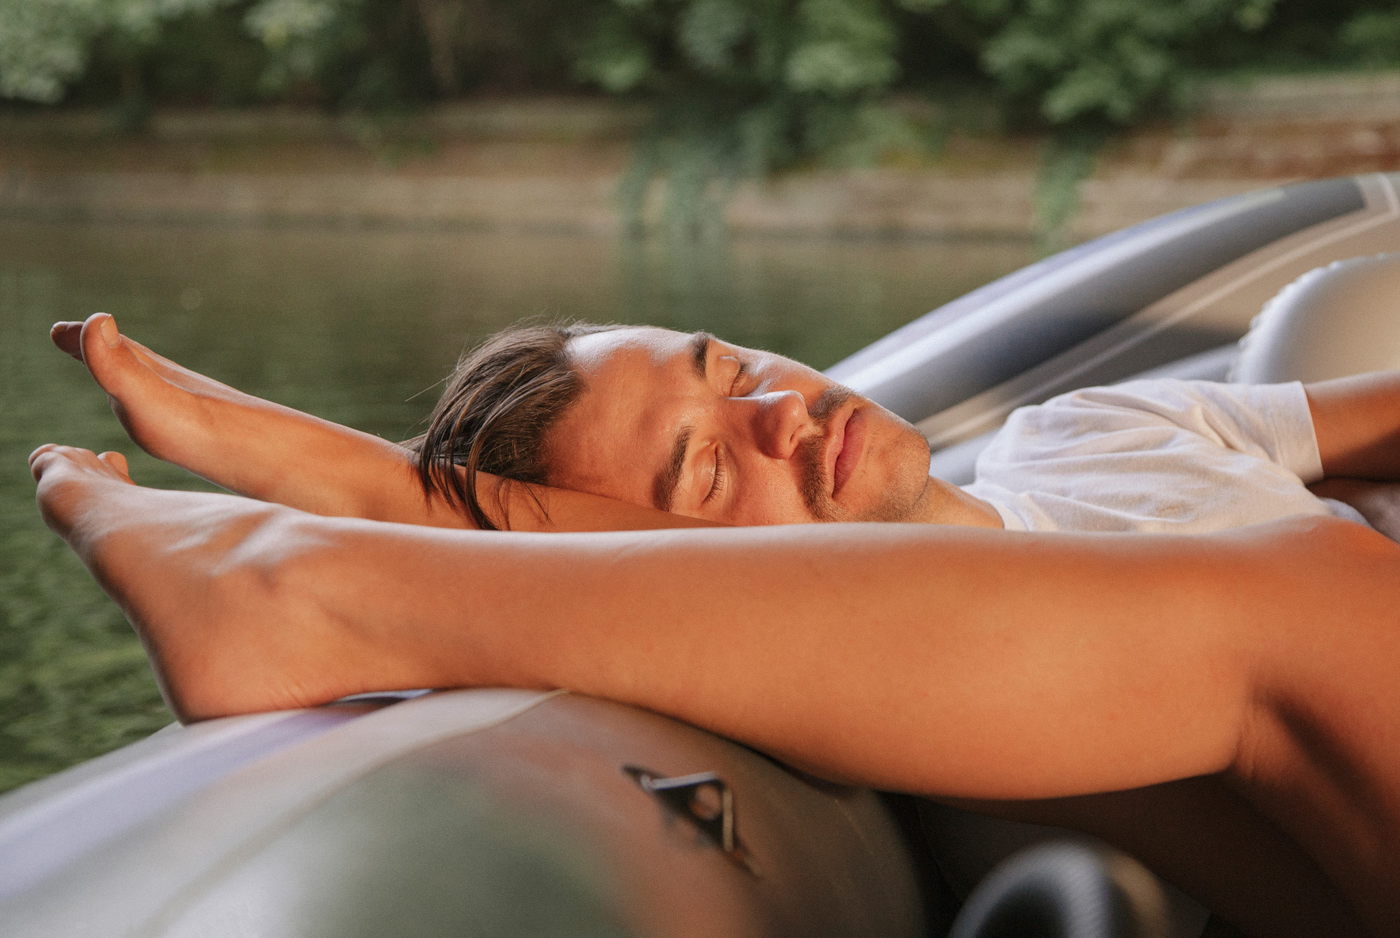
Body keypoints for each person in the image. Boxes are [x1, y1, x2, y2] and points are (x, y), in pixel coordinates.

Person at [28, 313, 1400, 937]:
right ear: (662, 545)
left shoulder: (1088, 428)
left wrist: (368, 482)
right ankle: (313, 582)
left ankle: (315, 573)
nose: (778, 412)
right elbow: (724, 601)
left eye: (733, 367)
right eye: (701, 469)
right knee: (1310, 600)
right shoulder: (929, 722)